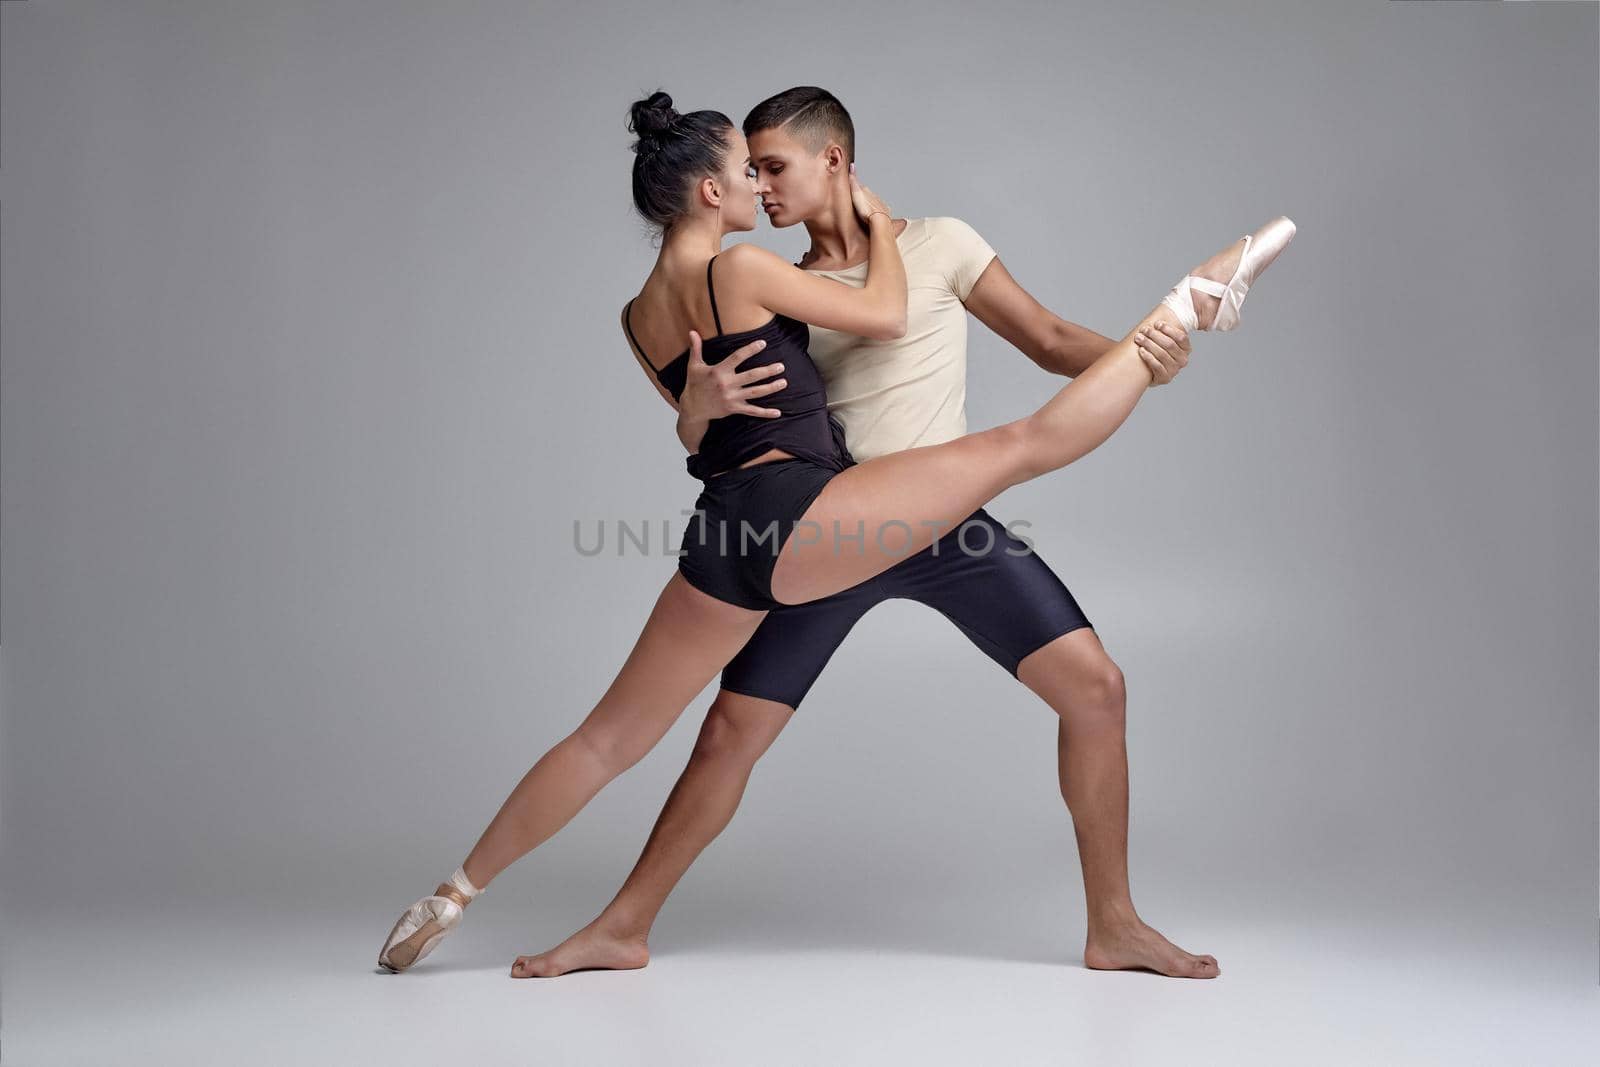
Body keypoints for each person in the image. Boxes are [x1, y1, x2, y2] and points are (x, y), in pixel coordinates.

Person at [376, 89, 1296, 977]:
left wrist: (1140, 369)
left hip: (865, 531)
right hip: (834, 523)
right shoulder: (766, 280)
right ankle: (1192, 301)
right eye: (751, 170)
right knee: (1017, 451)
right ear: (713, 189)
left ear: (834, 161)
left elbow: (1047, 338)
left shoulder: (935, 246)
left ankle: (1115, 924)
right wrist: (698, 410)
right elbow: (754, 393)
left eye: (775, 167)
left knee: (1093, 688)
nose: (764, 188)